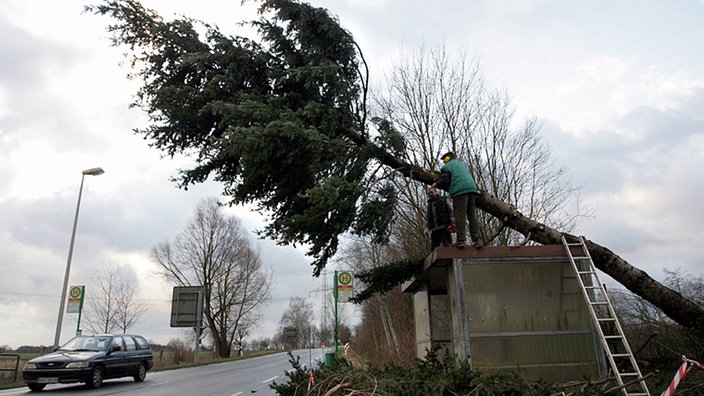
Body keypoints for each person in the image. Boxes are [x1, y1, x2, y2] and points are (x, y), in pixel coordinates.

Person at [432, 151, 483, 248]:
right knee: (472, 215)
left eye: (444, 160)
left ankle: (461, 240)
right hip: (472, 189)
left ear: (447, 158)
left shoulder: (447, 166)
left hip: (460, 191)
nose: (444, 162)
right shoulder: (461, 164)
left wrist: (436, 184)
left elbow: (445, 180)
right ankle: (477, 239)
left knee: (460, 215)